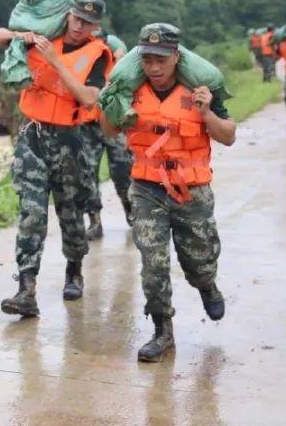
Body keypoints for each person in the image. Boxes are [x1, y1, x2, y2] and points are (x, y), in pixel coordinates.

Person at [100, 23, 236, 363]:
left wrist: (206, 114)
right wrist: (111, 104)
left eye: (162, 59)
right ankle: (162, 330)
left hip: (192, 190)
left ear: (177, 57)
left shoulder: (201, 90)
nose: (155, 68)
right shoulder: (131, 90)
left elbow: (229, 135)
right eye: (147, 59)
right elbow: (109, 128)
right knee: (153, 263)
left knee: (199, 259)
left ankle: (207, 285)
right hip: (147, 188)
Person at [0, 0, 112, 315]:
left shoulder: (98, 53)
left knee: (70, 211)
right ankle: (26, 289)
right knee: (32, 212)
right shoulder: (43, 38)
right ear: (67, 15)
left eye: (88, 22)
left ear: (96, 27)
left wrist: (56, 63)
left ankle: (74, 270)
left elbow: (88, 97)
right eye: (76, 18)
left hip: (69, 139)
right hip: (33, 134)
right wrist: (21, 35)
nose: (79, 26)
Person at [94, 30, 136, 227]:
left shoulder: (116, 52)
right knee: (87, 173)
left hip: (113, 120)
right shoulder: (79, 55)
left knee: (121, 168)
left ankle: (130, 208)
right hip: (86, 123)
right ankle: (94, 221)